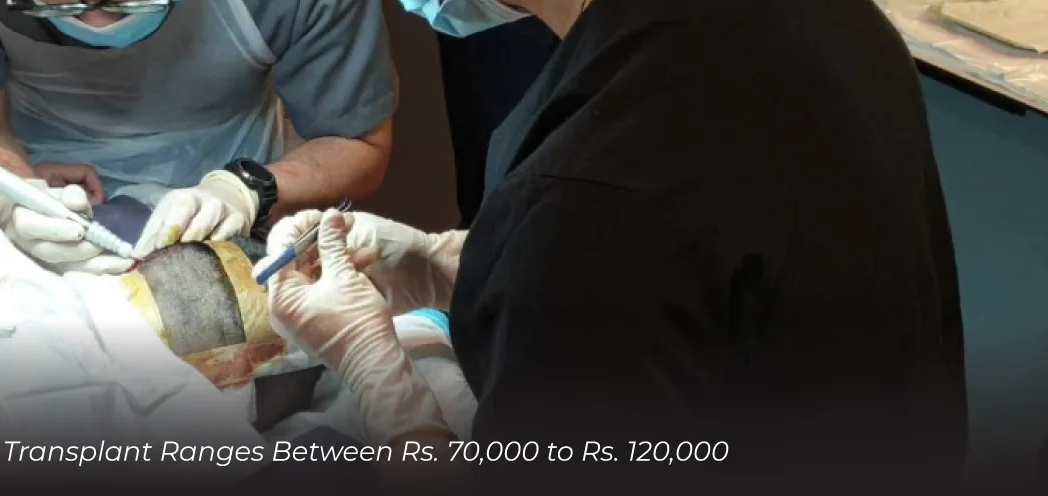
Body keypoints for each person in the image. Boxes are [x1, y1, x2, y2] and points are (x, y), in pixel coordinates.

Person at [260, 0, 968, 489]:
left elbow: (611, 231)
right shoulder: (827, 21)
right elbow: (726, 263)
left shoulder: (589, 199)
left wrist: (378, 376)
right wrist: (462, 262)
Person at [0, 0, 396, 274]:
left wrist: (248, 189)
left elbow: (357, 145)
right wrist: (10, 194)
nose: (96, 18)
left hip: (241, 222)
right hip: (38, 211)